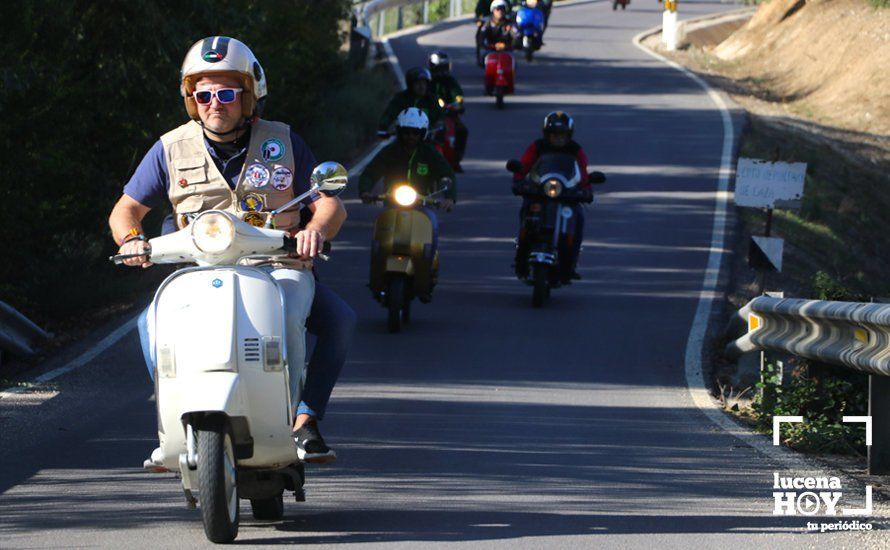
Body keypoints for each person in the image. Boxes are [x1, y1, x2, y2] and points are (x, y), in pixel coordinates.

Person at [108, 36, 355, 465]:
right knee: (150, 326)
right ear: (192, 98)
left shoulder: (284, 141)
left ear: (249, 96)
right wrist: (131, 238)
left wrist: (314, 230)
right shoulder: (170, 147)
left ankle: (302, 420)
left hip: (277, 264)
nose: (214, 103)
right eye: (203, 94)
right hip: (196, 269)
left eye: (226, 93)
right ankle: (176, 418)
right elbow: (126, 209)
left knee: (335, 321)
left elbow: (329, 204)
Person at [360, 108, 456, 299]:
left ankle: (428, 273)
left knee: (432, 228)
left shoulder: (429, 153)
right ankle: (376, 278)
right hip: (392, 204)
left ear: (422, 134)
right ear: (400, 131)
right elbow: (371, 172)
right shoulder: (389, 152)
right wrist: (366, 190)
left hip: (422, 206)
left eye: (415, 132)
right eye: (406, 132)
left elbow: (447, 175)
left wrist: (449, 197)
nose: (411, 136)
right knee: (379, 236)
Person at [512, 111, 592, 280]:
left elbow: (583, 172)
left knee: (579, 216)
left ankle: (571, 262)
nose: (558, 138)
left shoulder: (575, 150)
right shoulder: (537, 147)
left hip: (566, 194)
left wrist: (586, 188)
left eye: (562, 135)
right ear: (546, 134)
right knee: (526, 211)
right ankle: (521, 256)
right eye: (554, 134)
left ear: (568, 135)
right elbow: (524, 163)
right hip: (539, 191)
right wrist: (519, 178)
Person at [428, 50, 468, 172]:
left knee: (462, 131)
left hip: (449, 114)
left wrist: (458, 102)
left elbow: (458, 93)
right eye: (440, 68)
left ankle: (456, 160)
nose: (442, 71)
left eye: (444, 67)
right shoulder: (426, 81)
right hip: (429, 116)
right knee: (417, 133)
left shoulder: (450, 81)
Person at [378, 67, 443, 136]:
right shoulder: (401, 98)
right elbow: (389, 113)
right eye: (418, 83)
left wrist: (437, 127)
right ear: (410, 85)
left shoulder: (432, 100)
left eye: (424, 83)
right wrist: (383, 127)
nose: (422, 86)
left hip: (426, 140)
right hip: (403, 139)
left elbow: (440, 118)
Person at [477, 0, 517, 66]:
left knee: (513, 62)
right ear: (493, 10)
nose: (500, 12)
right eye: (497, 9)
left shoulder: (509, 23)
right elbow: (481, 36)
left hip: (506, 49)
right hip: (491, 49)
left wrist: (512, 43)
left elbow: (516, 35)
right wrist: (485, 45)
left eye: (502, 9)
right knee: (483, 59)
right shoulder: (487, 24)